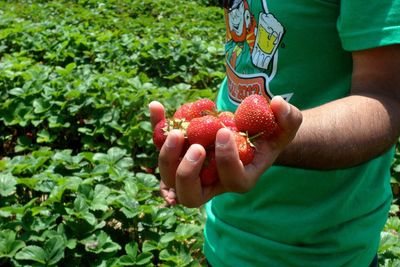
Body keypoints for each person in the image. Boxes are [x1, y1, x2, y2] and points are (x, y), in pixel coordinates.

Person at [149, 0, 400, 266]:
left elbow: (385, 97)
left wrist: (271, 143)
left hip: (321, 249)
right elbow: (248, 63)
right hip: (225, 230)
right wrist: (196, 150)